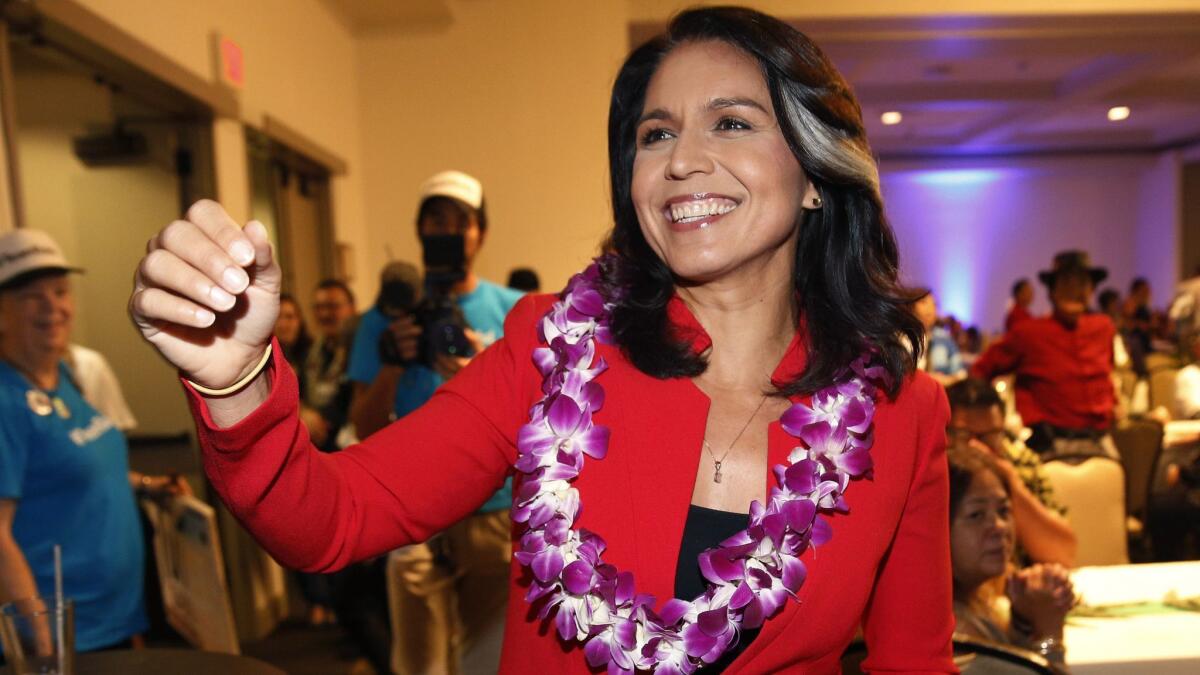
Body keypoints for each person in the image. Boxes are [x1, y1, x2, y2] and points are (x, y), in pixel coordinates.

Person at [127, 7, 955, 672]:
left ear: (815, 173)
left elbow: (914, 661)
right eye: (655, 134)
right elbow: (334, 517)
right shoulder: (554, 350)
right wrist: (236, 384)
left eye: (731, 123)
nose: (681, 162)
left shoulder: (901, 411)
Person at [348, 173, 523, 674]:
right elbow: (363, 427)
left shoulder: (513, 312)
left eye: (461, 222)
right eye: (436, 220)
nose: (448, 231)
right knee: (418, 663)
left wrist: (482, 375)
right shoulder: (384, 319)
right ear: (419, 231)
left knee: (489, 661)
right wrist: (392, 364)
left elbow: (542, 424)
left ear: (481, 234)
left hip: (493, 511)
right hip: (412, 511)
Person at [0, 229, 183, 655]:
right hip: (65, 639)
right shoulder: (6, 402)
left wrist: (147, 485)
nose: (53, 307)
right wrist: (43, 644)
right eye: (32, 296)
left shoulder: (67, 377)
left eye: (61, 292)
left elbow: (82, 470)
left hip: (113, 621)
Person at [972, 251, 1119, 459]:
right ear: (1052, 291)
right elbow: (980, 371)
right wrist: (991, 425)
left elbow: (1108, 375)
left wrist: (1114, 404)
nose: (1074, 291)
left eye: (1082, 284)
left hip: (1101, 441)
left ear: (1091, 290)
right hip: (1051, 445)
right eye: (1066, 282)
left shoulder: (1103, 328)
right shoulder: (1028, 333)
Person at [947, 445, 1073, 666]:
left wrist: (1023, 620)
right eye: (976, 515)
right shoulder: (956, 636)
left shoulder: (974, 603)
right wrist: (1049, 634)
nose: (999, 527)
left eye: (1004, 511)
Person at [945, 379, 1076, 567]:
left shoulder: (1022, 462)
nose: (979, 447)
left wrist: (1010, 482)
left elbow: (1062, 553)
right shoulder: (934, 471)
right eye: (965, 435)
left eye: (991, 435)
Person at [301, 279, 356, 452]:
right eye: (318, 307)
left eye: (332, 306)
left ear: (352, 308)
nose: (324, 314)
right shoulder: (310, 351)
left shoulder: (363, 349)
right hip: (316, 447)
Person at [913, 289, 966, 386]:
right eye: (923, 302)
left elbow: (960, 374)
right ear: (911, 306)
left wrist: (948, 380)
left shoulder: (944, 338)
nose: (930, 308)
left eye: (934, 304)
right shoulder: (901, 338)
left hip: (941, 391)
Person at [274, 292, 312, 379]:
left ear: (299, 320)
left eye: (289, 317)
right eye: (278, 317)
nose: (283, 324)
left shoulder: (314, 352)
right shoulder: (263, 359)